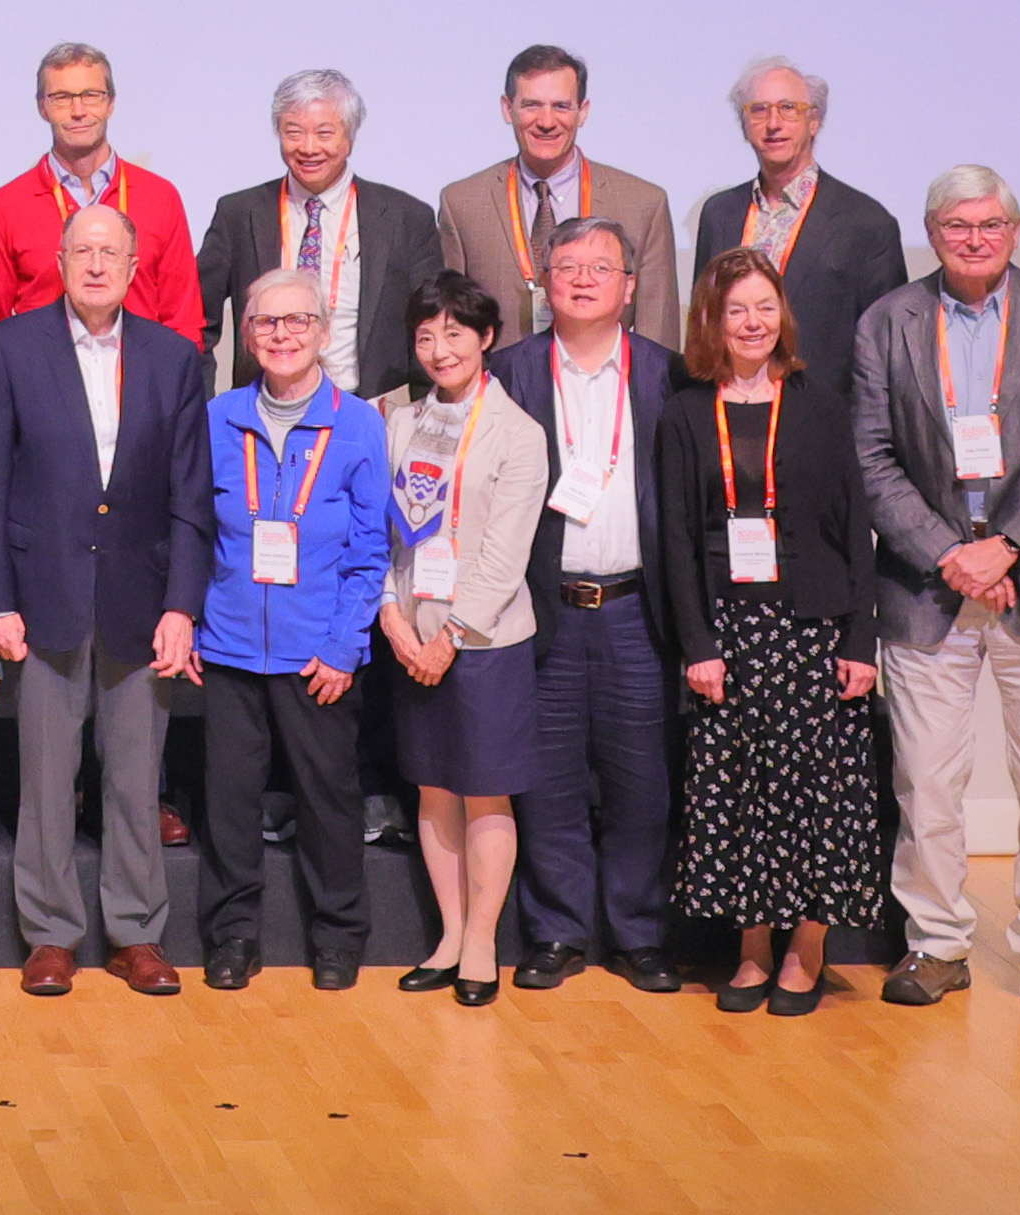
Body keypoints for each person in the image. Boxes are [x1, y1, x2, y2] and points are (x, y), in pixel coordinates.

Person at [854, 167, 1020, 1021]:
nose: (974, 237)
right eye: (956, 224)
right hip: (928, 587)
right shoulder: (886, 322)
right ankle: (935, 944)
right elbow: (872, 458)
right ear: (930, 232)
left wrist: (1006, 546)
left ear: (1015, 227)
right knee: (926, 782)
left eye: (989, 222)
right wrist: (950, 555)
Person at [0, 204, 210, 999]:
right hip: (40, 600)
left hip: (143, 606)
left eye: (111, 250)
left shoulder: (174, 358)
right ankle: (49, 933)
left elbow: (189, 496)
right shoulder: (8, 349)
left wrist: (182, 605)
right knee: (45, 777)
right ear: (60, 260)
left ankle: (136, 932)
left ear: (135, 263)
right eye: (82, 250)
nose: (97, 263)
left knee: (135, 778)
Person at [656, 250, 886, 1016]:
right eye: (735, 311)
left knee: (819, 794)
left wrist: (861, 637)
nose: (751, 323)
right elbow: (678, 543)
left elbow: (855, 528)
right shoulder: (686, 411)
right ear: (711, 323)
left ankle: (807, 946)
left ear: (780, 315)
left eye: (763, 307)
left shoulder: (817, 403)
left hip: (814, 628)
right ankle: (751, 948)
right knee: (737, 793)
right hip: (728, 629)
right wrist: (697, 645)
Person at [488, 218, 684, 995]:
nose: (580, 278)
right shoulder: (509, 371)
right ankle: (558, 930)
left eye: (599, 266)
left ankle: (637, 932)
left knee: (642, 780)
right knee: (549, 778)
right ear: (542, 281)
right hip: (544, 607)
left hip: (637, 608)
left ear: (629, 286)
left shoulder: (670, 374)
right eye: (564, 265)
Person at [185, 268, 392, 992]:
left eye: (296, 321)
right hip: (231, 647)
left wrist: (342, 645)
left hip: (318, 654)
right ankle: (232, 934)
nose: (281, 334)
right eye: (266, 323)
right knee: (229, 802)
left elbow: (371, 551)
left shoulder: (358, 421)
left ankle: (337, 935)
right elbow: (191, 531)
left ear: (323, 330)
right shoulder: (217, 418)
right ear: (246, 336)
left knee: (327, 800)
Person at [373, 271, 549, 1006]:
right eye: (424, 335)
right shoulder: (398, 421)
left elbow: (505, 556)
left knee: (485, 795)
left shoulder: (518, 431)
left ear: (485, 338)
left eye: (453, 333)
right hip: (410, 636)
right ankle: (447, 935)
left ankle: (482, 941)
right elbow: (381, 533)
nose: (439, 349)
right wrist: (390, 613)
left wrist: (448, 635)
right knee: (431, 790)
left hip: (485, 642)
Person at [197, 68, 444, 398]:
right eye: (294, 132)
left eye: (324, 134)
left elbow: (431, 325)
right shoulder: (239, 213)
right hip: (262, 411)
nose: (308, 148)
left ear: (350, 136)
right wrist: (203, 407)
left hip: (369, 410)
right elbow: (197, 319)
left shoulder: (405, 217)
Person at [433, 45, 681, 345]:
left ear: (583, 111)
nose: (547, 121)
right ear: (506, 108)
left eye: (561, 106)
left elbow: (658, 334)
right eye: (532, 105)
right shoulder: (462, 203)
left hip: (607, 388)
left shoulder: (644, 205)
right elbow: (451, 327)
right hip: (499, 387)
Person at [693, 56, 909, 395]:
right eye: (759, 110)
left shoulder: (866, 223)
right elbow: (703, 327)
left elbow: (885, 353)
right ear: (744, 125)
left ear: (814, 121)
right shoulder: (719, 214)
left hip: (822, 423)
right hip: (728, 416)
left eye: (789, 108)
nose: (773, 123)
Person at [0, 43, 205, 343]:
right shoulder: (7, 205)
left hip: (140, 383)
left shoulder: (160, 197)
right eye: (62, 98)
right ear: (42, 107)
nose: (78, 111)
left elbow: (184, 322)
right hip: (43, 383)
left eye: (91, 96)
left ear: (111, 103)